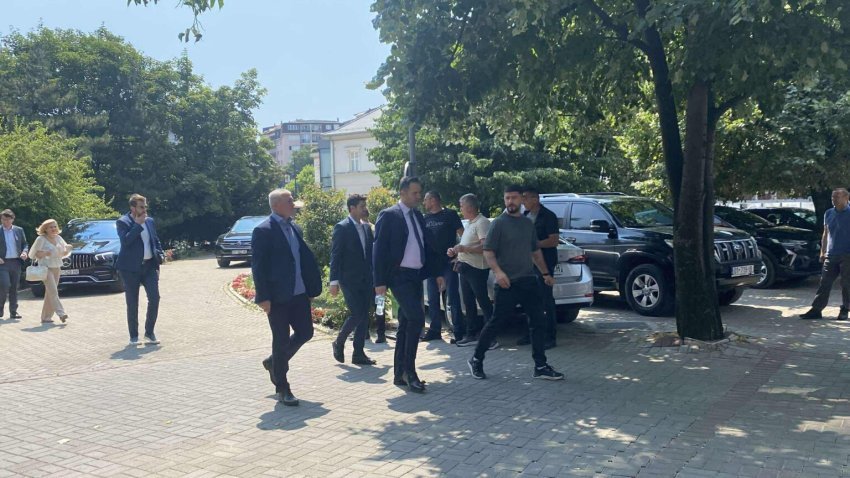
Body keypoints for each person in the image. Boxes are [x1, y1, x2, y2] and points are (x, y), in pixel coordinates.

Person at [467, 185, 564, 381]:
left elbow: (535, 251)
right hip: (507, 283)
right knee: (496, 322)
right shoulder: (499, 224)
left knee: (538, 322)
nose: (510, 201)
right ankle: (476, 359)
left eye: (514, 197)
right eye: (507, 198)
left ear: (521, 199)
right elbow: (488, 251)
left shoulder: (528, 223)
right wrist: (498, 272)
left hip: (528, 280)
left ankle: (540, 366)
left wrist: (545, 273)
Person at [373, 176, 444, 393]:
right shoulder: (389, 215)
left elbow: (427, 245)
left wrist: (437, 273)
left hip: (416, 276)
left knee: (405, 324)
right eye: (415, 193)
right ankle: (410, 372)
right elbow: (379, 250)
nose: (419, 196)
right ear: (402, 192)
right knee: (417, 318)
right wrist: (379, 282)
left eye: (420, 192)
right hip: (398, 276)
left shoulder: (417, 216)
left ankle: (399, 373)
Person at [253, 189, 322, 406]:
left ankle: (274, 362)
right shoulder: (263, 230)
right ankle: (283, 387)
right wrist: (263, 297)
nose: (293, 204)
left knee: (306, 332)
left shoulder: (295, 227)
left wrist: (310, 289)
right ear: (276, 205)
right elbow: (258, 267)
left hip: (299, 293)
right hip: (277, 297)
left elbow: (302, 260)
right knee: (281, 340)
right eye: (289, 201)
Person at [330, 194, 377, 365]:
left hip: (366, 279)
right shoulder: (342, 227)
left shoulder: (366, 228)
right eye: (362, 206)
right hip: (348, 279)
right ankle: (339, 341)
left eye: (365, 206)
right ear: (352, 208)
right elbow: (335, 255)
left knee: (364, 315)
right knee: (357, 313)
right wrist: (333, 281)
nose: (365, 209)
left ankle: (358, 353)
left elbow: (370, 255)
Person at [116, 194, 165, 346]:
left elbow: (155, 240)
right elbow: (126, 241)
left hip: (149, 266)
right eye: (141, 207)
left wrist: (160, 254)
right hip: (130, 269)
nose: (144, 209)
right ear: (133, 208)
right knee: (132, 302)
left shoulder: (149, 221)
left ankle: (149, 333)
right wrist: (137, 225)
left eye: (145, 206)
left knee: (155, 298)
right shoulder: (123, 222)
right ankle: (134, 336)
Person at [448, 194, 493, 347]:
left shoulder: (482, 222)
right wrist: (456, 251)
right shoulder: (469, 223)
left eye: (461, 206)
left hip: (477, 268)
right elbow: (466, 245)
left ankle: (490, 336)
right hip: (465, 267)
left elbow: (485, 246)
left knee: (483, 301)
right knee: (468, 302)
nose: (460, 209)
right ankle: (471, 333)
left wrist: (464, 248)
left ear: (470, 207)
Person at [800, 188, 850, 321]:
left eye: (837, 197)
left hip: (847, 254)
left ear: (846, 198)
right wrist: (823, 251)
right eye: (833, 197)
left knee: (846, 284)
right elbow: (825, 233)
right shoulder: (828, 213)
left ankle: (845, 308)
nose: (834, 199)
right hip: (831, 254)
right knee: (824, 282)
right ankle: (816, 309)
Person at [422, 191, 465, 342]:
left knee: (452, 298)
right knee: (432, 299)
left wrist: (459, 255)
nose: (424, 203)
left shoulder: (450, 215)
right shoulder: (424, 218)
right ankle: (435, 331)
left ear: (433, 200)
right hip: (432, 265)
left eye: (426, 199)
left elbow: (463, 235)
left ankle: (458, 332)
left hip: (448, 263)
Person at [521, 187, 560, 349]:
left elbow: (553, 240)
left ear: (535, 199)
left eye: (525, 198)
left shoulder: (548, 216)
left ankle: (550, 336)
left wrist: (534, 244)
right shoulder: (524, 216)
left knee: (546, 299)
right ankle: (531, 333)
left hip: (545, 261)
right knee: (529, 299)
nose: (523, 201)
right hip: (527, 263)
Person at [29, 219, 72, 324]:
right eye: (51, 227)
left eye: (55, 226)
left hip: (56, 267)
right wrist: (45, 253)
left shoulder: (59, 238)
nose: (53, 229)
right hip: (45, 268)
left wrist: (68, 249)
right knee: (53, 291)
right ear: (45, 229)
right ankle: (61, 313)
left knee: (50, 292)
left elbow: (63, 254)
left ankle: (46, 317)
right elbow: (33, 254)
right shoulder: (41, 239)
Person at [0, 209, 29, 319]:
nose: (5, 222)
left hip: (16, 262)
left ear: (12, 219)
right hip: (2, 263)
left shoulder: (18, 230)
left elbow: (25, 244)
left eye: (8, 220)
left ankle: (13, 311)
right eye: (3, 219)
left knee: (14, 288)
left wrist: (24, 252)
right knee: (4, 285)